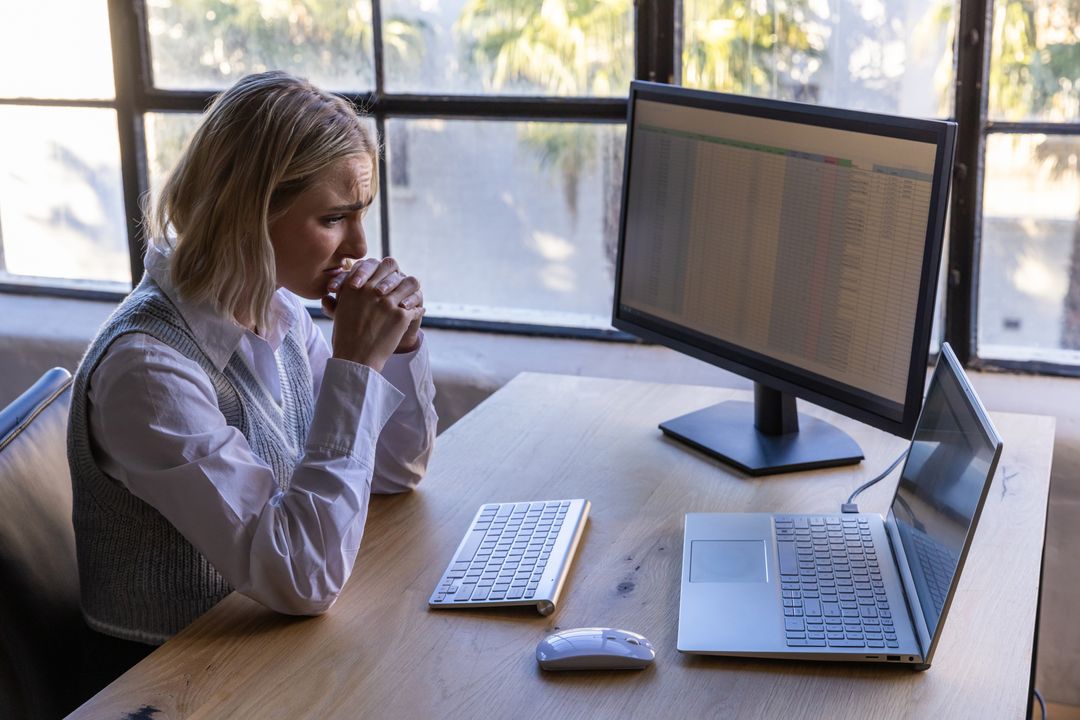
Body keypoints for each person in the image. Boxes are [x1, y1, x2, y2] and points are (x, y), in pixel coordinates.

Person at [66, 71, 437, 670]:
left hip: (270, 650)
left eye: (361, 214)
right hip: (173, 680)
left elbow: (394, 470)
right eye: (334, 218)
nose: (360, 246)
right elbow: (302, 579)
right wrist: (356, 365)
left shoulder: (279, 305)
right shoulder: (147, 373)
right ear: (248, 213)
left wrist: (397, 350)